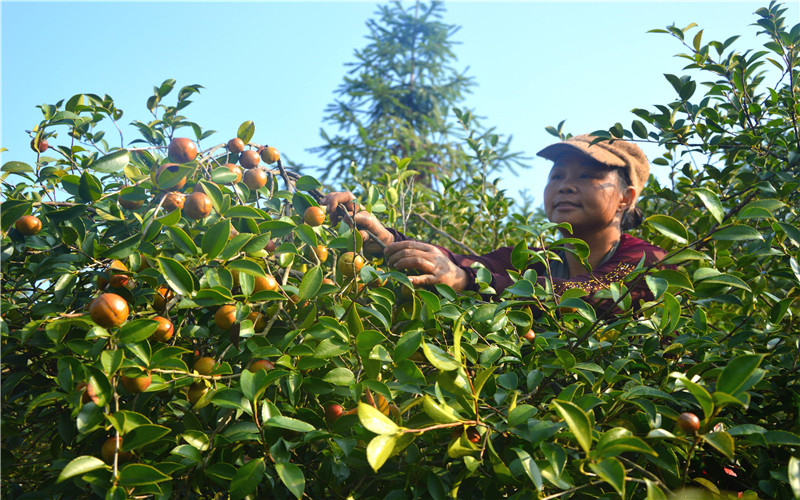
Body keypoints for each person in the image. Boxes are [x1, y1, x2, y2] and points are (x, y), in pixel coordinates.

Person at [322, 134, 669, 313]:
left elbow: (595, 297)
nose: (565, 185)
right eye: (557, 175)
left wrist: (466, 281)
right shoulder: (531, 261)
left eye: (587, 176)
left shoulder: (650, 261)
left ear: (626, 197)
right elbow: (464, 265)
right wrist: (384, 237)